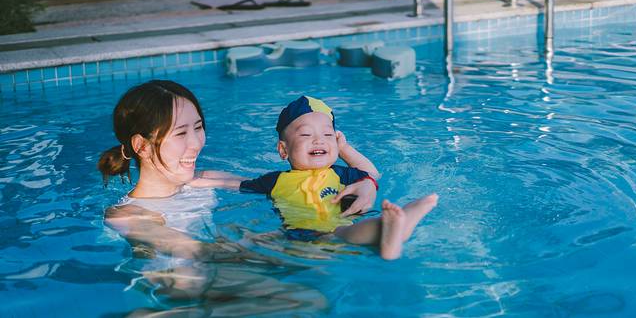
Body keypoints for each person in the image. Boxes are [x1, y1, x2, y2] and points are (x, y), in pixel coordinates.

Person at [98, 80, 325, 315]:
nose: (196, 143)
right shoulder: (126, 213)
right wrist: (276, 245)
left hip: (214, 275)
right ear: (142, 146)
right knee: (309, 300)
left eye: (198, 128)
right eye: (181, 133)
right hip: (171, 297)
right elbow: (191, 250)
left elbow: (283, 186)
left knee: (312, 296)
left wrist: (353, 184)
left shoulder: (204, 180)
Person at [220, 96, 439, 261]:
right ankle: (393, 233)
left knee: (358, 231)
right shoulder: (275, 180)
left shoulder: (339, 173)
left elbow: (371, 174)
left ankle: (397, 226)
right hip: (299, 234)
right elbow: (235, 183)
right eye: (306, 134)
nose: (319, 140)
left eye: (327, 135)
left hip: (340, 228)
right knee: (257, 242)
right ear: (283, 150)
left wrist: (345, 150)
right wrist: (201, 179)